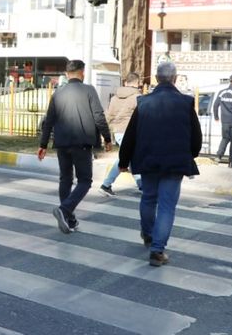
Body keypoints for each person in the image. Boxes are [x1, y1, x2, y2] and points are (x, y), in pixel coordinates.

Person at [119, 62, 201, 267]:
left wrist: (123, 161)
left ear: (156, 79)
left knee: (148, 198)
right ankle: (157, 251)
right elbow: (196, 136)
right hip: (175, 162)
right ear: (174, 78)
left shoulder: (144, 102)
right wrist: (190, 154)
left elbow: (130, 135)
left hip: (148, 159)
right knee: (166, 206)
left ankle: (148, 234)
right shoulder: (185, 102)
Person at [38, 59, 112, 234]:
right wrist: (107, 138)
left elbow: (49, 121)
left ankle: (69, 219)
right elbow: (99, 117)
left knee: (65, 179)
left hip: (62, 143)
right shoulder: (89, 90)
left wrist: (43, 144)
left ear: (66, 74)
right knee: (85, 181)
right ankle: (64, 211)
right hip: (82, 143)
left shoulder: (58, 93)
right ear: (83, 73)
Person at [98, 72, 143, 196]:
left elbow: (108, 115)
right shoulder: (138, 97)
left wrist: (106, 133)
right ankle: (106, 185)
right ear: (137, 83)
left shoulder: (114, 97)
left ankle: (142, 185)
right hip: (131, 132)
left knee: (129, 157)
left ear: (125, 82)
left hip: (117, 131)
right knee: (125, 157)